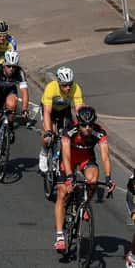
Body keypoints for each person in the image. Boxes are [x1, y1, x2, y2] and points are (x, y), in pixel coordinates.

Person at [53, 106, 116, 252]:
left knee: (93, 179)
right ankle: (60, 236)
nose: (87, 128)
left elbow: (105, 157)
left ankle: (84, 204)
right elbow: (66, 156)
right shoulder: (69, 131)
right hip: (68, 160)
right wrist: (69, 177)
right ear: (78, 123)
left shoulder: (99, 133)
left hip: (86, 159)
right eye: (84, 125)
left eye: (90, 125)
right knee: (62, 193)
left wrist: (108, 178)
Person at [0, 50, 29, 166]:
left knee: (12, 104)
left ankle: (10, 126)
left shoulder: (20, 72)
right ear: (4, 64)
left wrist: (24, 109)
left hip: (9, 92)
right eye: (9, 66)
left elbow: (24, 93)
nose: (11, 69)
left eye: (14, 67)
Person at [39, 66, 84, 172]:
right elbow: (47, 112)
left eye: (70, 84)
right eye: (64, 85)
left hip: (64, 110)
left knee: (69, 132)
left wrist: (81, 125)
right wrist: (48, 131)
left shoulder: (76, 88)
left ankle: (63, 157)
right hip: (50, 110)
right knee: (49, 134)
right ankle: (44, 153)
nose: (68, 88)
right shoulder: (51, 88)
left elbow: (79, 110)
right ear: (58, 83)